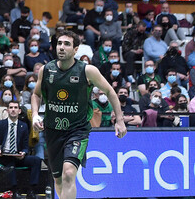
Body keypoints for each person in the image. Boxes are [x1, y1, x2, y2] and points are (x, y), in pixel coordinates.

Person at [31, 30, 127, 199]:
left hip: (77, 130)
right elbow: (36, 94)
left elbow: (110, 92)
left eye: (67, 44)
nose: (61, 47)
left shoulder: (87, 71)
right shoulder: (46, 70)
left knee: (69, 173)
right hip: (53, 130)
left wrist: (119, 120)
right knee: (59, 180)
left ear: (76, 50)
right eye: (59, 43)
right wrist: (35, 115)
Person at [0, 101, 42, 199]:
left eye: (15, 108)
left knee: (36, 161)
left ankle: (31, 190)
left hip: (17, 156)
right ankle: (14, 191)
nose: (13, 110)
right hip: (3, 156)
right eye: (11, 108)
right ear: (7, 110)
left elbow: (25, 146)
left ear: (19, 111)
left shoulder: (23, 126)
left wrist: (23, 152)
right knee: (10, 161)